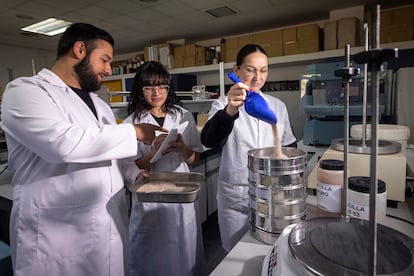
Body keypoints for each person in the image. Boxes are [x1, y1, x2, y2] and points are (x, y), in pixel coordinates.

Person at [0, 23, 165, 276]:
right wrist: (134, 132)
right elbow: (63, 144)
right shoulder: (25, 91)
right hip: (57, 234)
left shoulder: (100, 104)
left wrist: (136, 176)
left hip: (107, 225)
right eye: (105, 60)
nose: (108, 69)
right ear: (79, 50)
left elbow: (113, 154)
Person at [201, 44, 297, 252]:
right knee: (236, 251)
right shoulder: (222, 104)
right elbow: (210, 140)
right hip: (236, 194)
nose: (257, 77)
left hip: (271, 193)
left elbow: (289, 145)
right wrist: (230, 110)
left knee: (269, 249)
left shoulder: (277, 106)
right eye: (251, 69)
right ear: (237, 70)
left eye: (263, 70)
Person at [124, 61, 205, 276]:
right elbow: (131, 168)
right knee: (153, 255)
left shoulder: (183, 116)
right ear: (140, 90)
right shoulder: (131, 123)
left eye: (162, 86)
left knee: (184, 248)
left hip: (181, 191)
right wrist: (154, 152)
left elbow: (194, 159)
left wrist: (182, 148)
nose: (156, 92)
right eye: (149, 87)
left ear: (169, 88)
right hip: (150, 197)